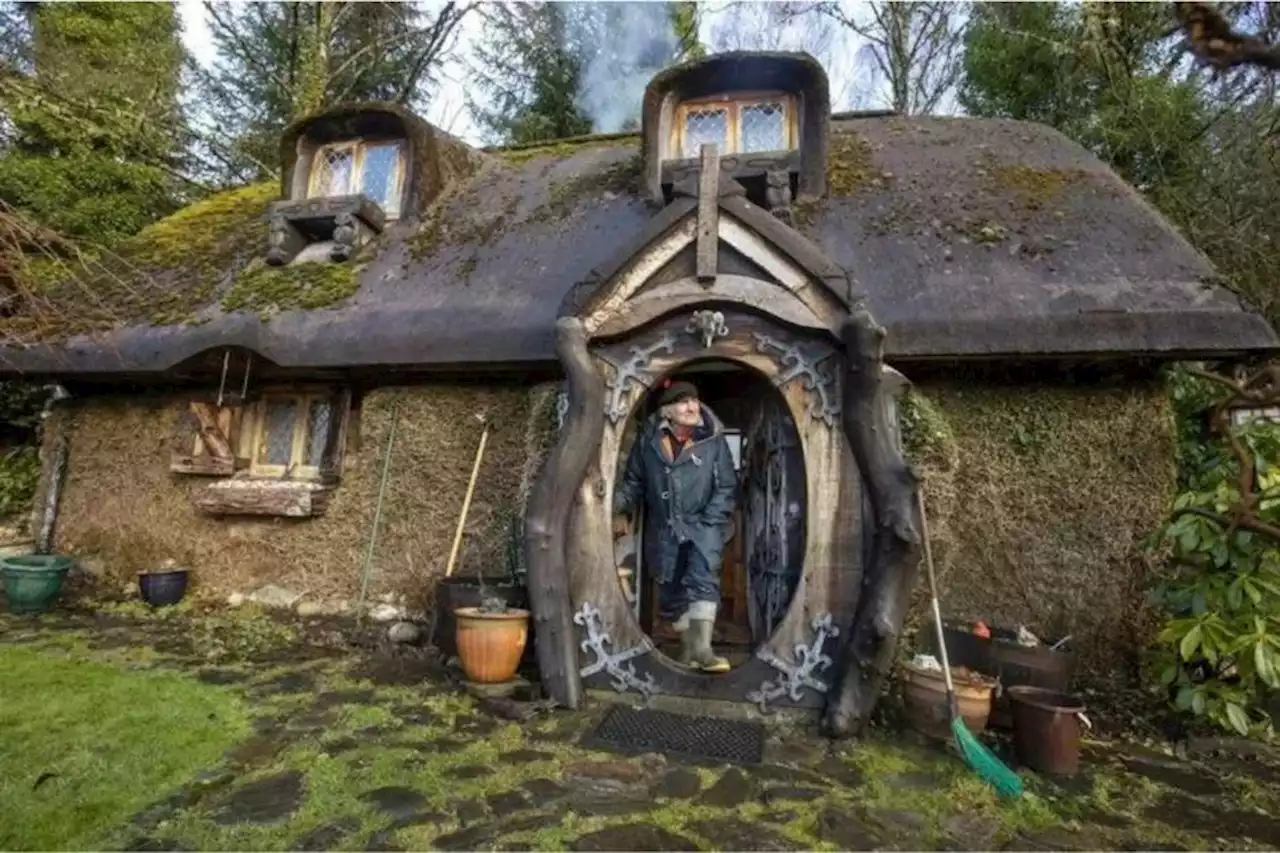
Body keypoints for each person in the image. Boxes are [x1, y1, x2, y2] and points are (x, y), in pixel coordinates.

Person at [612, 378, 737, 673]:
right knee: (671, 593)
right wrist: (610, 505)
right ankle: (689, 648)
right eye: (683, 401)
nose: (692, 406)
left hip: (703, 524)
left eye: (694, 400)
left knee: (703, 580)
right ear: (668, 411)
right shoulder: (648, 441)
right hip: (665, 526)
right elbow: (634, 483)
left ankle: (704, 650)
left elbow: (727, 485)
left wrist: (711, 521)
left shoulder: (713, 441)